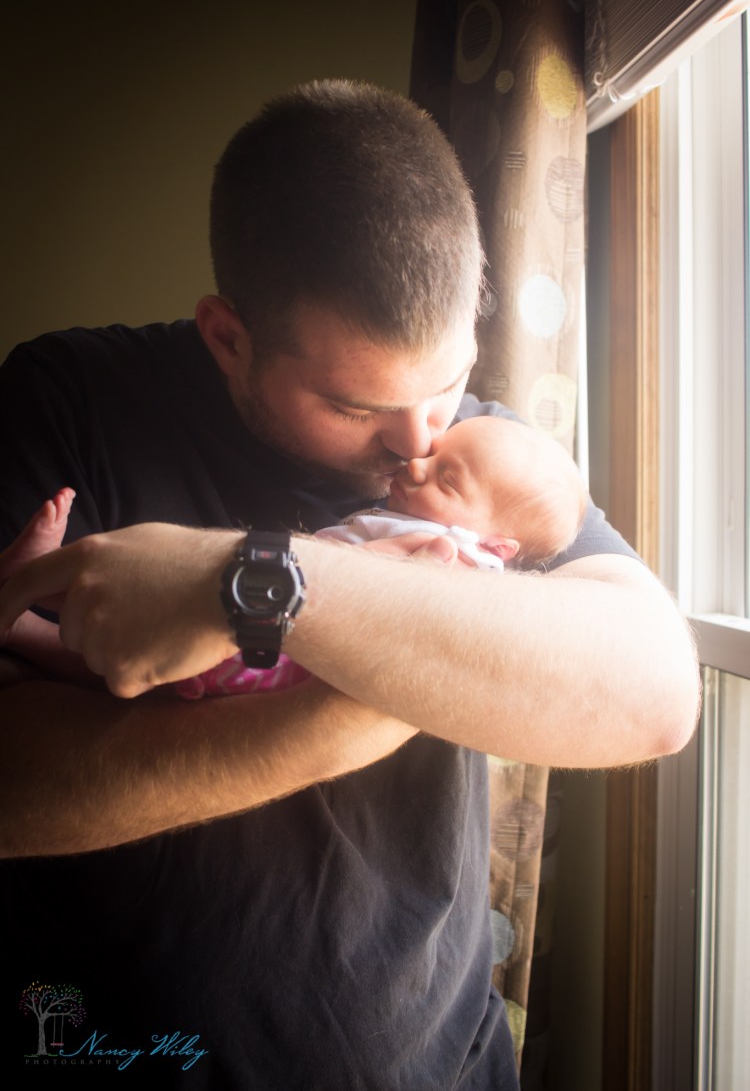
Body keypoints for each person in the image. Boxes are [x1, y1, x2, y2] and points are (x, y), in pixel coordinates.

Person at [0, 80, 698, 1089]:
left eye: (447, 382)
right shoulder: (66, 405)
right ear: (227, 336)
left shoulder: (482, 456)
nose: (417, 447)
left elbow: (652, 696)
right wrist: (384, 697)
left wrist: (246, 584)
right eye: (354, 403)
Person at [3, 416, 588, 699]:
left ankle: (24, 615)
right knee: (125, 623)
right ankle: (31, 591)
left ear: (497, 546)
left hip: (274, 656)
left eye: (447, 478)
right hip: (263, 618)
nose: (414, 461)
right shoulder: (419, 515)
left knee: (130, 661)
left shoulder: (466, 561)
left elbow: (397, 601)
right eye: (437, 453)